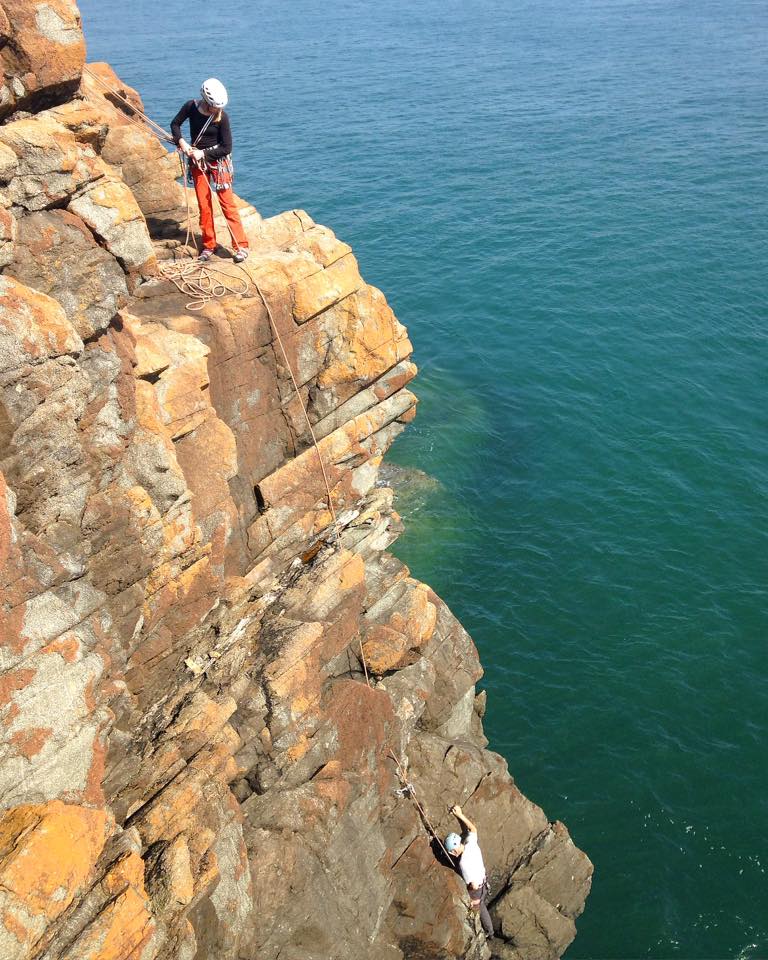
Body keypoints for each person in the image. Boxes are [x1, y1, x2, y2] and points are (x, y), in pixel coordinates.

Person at [170, 78, 249, 263]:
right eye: (214, 106)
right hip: (198, 162)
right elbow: (175, 124)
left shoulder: (222, 117)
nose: (217, 110)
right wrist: (182, 143)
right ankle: (209, 245)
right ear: (206, 101)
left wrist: (202, 154)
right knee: (204, 206)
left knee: (227, 204)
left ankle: (241, 246)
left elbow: (226, 147)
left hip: (217, 162)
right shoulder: (190, 107)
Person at [445, 804, 494, 939]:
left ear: (453, 851)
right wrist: (459, 815)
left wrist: (473, 900)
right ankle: (490, 932)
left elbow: (473, 885)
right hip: (485, 879)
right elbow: (472, 829)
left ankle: (489, 933)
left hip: (478, 888)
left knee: (479, 908)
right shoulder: (470, 843)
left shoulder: (463, 864)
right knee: (482, 904)